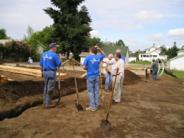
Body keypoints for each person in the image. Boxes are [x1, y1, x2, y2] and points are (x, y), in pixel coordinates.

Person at [83, 45, 105, 111]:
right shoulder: (98, 57)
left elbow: (84, 67)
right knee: (96, 91)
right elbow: (104, 55)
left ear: (90, 51)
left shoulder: (87, 57)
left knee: (90, 92)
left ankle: (92, 106)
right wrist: (99, 49)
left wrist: (87, 67)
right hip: (97, 76)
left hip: (90, 76)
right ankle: (96, 104)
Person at [40, 43, 62, 108]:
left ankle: (45, 102)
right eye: (56, 47)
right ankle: (48, 103)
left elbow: (41, 64)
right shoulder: (54, 55)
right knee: (50, 88)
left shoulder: (43, 54)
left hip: (44, 72)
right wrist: (59, 61)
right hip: (51, 72)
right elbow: (59, 64)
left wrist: (42, 72)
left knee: (46, 87)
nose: (56, 48)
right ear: (53, 47)